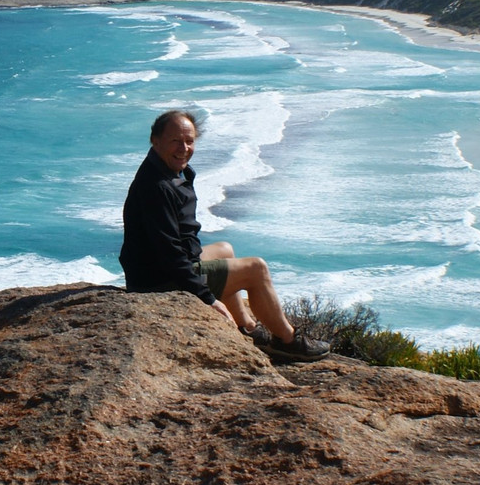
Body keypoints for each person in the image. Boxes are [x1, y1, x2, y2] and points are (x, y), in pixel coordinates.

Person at [120, 109, 330, 362]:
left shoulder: (168, 171)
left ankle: (247, 328)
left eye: (189, 141)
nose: (184, 148)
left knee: (225, 249)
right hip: (158, 281)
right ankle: (287, 342)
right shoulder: (156, 186)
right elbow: (169, 253)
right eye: (175, 141)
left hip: (160, 267)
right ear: (155, 140)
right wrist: (207, 298)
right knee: (256, 269)